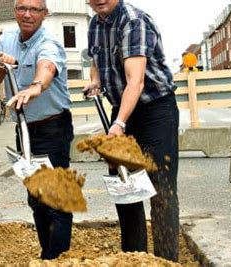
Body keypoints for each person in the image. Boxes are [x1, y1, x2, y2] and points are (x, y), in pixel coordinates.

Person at [84, 0, 180, 262]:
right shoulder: (94, 24)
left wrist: (119, 124)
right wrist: (95, 81)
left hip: (155, 109)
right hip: (123, 108)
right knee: (124, 185)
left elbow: (135, 81)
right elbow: (96, 60)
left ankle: (166, 260)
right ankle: (134, 257)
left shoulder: (134, 21)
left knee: (161, 188)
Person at [0, 0, 74, 260]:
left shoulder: (49, 42)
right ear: (14, 12)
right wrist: (1, 66)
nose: (27, 14)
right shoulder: (6, 40)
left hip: (53, 128)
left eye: (34, 9)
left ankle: (56, 259)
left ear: (44, 15)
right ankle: (49, 252)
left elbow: (46, 66)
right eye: (22, 8)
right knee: (36, 198)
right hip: (24, 130)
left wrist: (35, 87)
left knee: (54, 199)